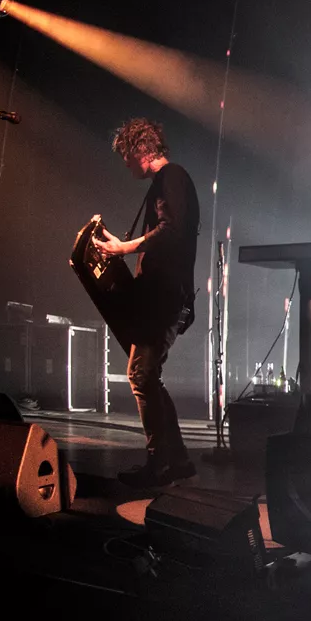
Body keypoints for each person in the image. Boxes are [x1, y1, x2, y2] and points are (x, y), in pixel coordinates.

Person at [93, 118, 200, 489]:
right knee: (149, 376)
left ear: (141, 150)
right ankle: (178, 461)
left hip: (165, 297)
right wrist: (120, 245)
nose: (125, 165)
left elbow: (172, 231)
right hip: (161, 296)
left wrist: (125, 248)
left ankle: (158, 465)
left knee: (140, 374)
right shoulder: (164, 182)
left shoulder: (173, 177)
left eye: (126, 157)